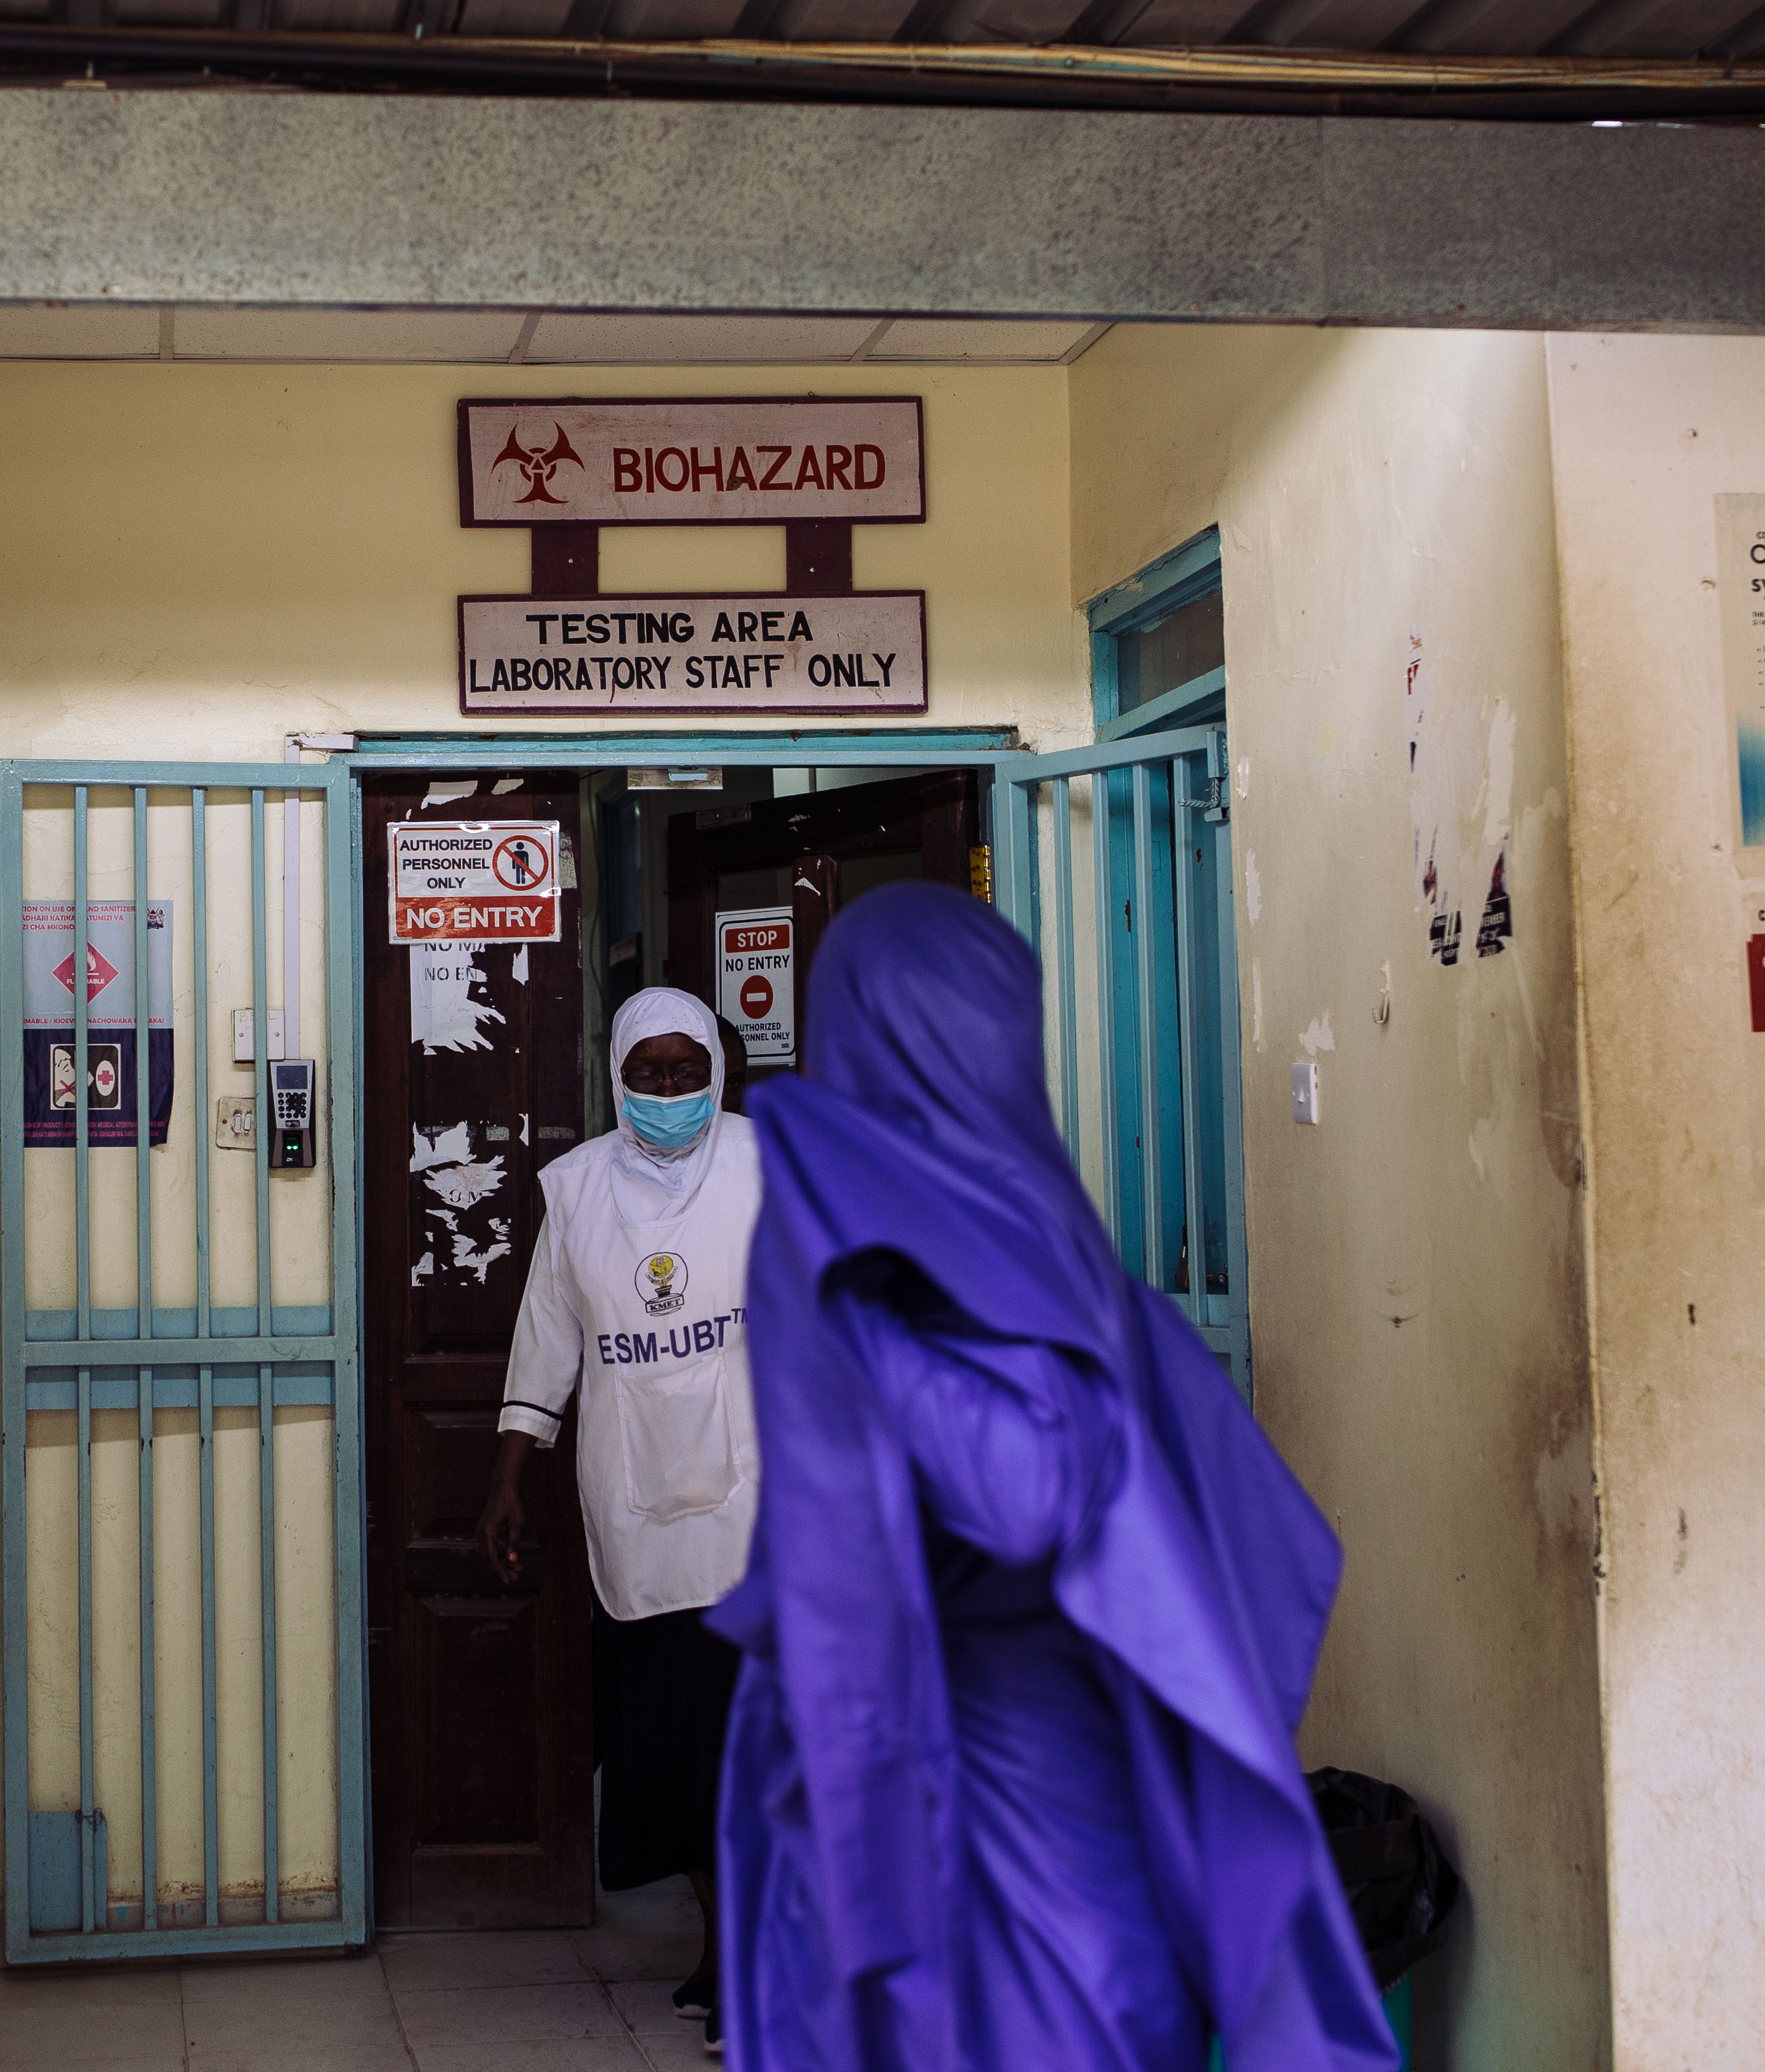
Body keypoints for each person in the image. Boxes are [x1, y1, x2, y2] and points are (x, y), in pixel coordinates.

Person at [712, 882, 1397, 2072]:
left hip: (1011, 1807)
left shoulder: (956, 1242)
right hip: (986, 1769)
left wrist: (848, 1313)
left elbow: (1028, 1490)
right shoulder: (1017, 1221)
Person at [480, 989, 759, 2054]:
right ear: (618, 1077)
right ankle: (725, 1945)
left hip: (762, 1515)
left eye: (689, 1073)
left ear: (718, 1074)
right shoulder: (580, 1191)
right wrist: (509, 1476)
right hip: (638, 1517)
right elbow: (546, 1341)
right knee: (675, 1756)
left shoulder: (771, 1171)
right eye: (650, 1075)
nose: (670, 1094)